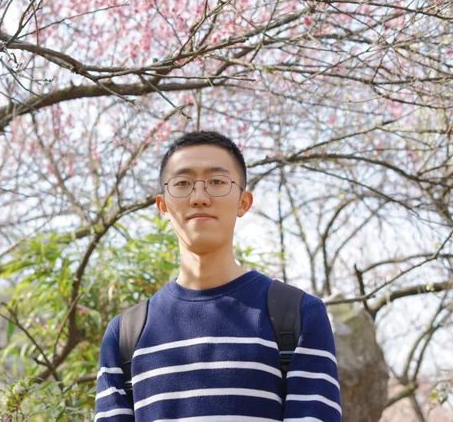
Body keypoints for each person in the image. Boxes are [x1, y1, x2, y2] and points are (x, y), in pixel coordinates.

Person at [94, 131, 341, 421]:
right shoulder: (125, 335)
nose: (199, 197)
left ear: (244, 202)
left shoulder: (298, 314)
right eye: (182, 184)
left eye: (217, 182)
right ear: (162, 206)